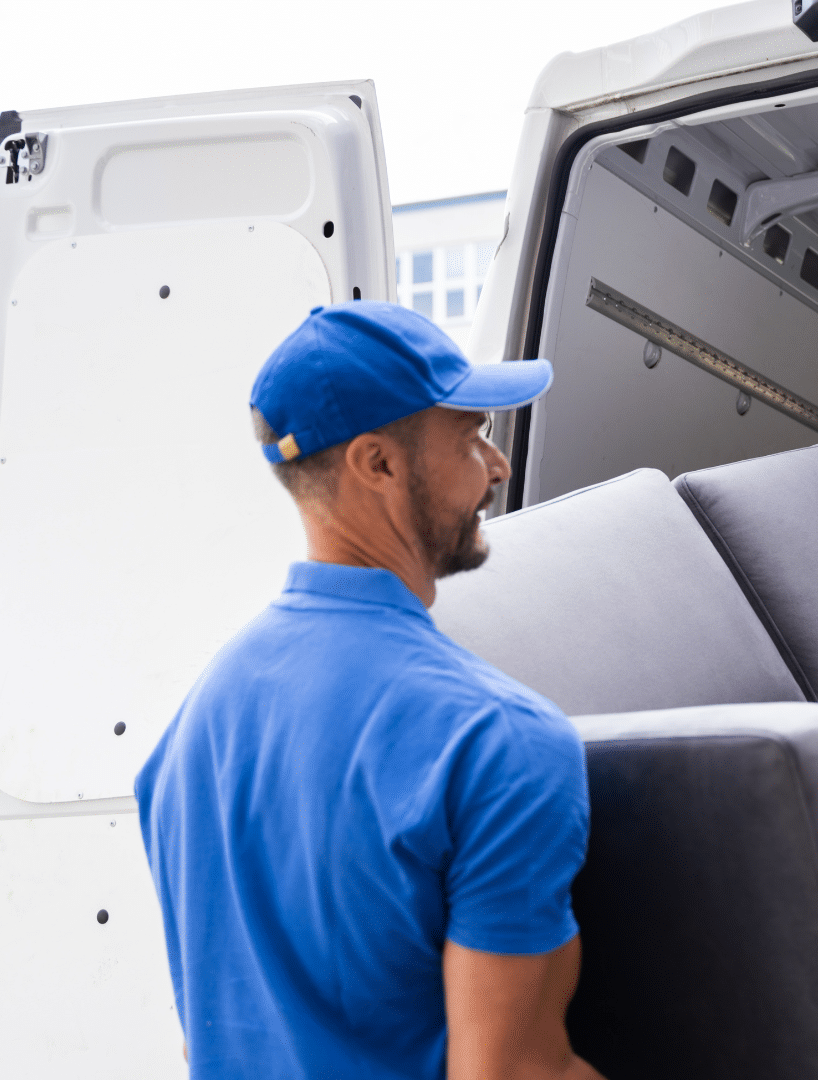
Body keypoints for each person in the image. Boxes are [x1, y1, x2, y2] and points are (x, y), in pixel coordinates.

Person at [134, 302, 604, 1080]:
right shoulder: (500, 739)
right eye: (469, 436)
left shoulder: (192, 730)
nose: (498, 466)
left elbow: (209, 1035)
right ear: (377, 464)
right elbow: (517, 1072)